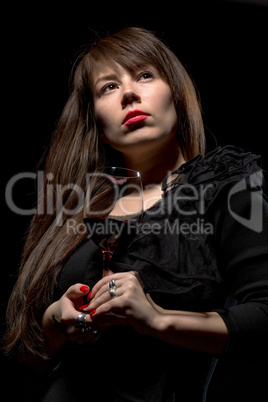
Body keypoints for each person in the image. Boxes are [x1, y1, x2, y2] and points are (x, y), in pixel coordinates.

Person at [4, 27, 268, 401]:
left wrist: (158, 319)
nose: (128, 93)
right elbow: (25, 359)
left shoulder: (225, 188)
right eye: (108, 87)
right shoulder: (78, 210)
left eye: (145, 75)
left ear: (175, 95)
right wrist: (56, 322)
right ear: (99, 126)